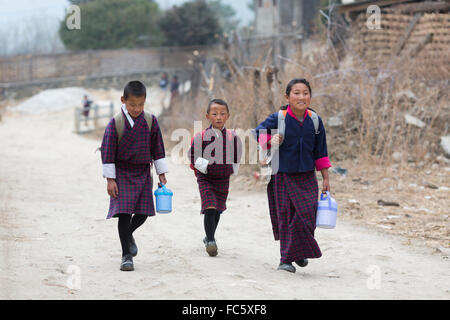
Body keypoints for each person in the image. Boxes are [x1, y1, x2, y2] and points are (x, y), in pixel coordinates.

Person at [253, 78, 332, 273]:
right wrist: (271, 140)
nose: (301, 96)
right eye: (296, 93)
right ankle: (286, 260)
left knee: (307, 215)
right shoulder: (278, 117)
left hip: (307, 177)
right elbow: (258, 133)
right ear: (287, 97)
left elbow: (321, 151)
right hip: (283, 175)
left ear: (310, 97)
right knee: (286, 216)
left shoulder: (315, 120)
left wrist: (326, 178)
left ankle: (299, 250)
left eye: (305, 93)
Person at [100, 80, 169, 271]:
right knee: (124, 213)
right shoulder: (116, 123)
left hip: (142, 172)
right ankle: (126, 256)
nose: (136, 108)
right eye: (132, 105)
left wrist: (161, 173)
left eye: (140, 104)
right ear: (123, 100)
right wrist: (110, 179)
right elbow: (107, 152)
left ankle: (128, 233)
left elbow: (158, 148)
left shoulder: (150, 121)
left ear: (145, 101)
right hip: (122, 173)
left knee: (143, 212)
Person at [189, 99, 242, 257]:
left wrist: (231, 169)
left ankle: (208, 237)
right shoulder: (201, 136)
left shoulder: (233, 137)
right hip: (205, 177)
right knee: (210, 207)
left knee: (218, 208)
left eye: (222, 114)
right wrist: (208, 167)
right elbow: (193, 156)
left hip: (223, 178)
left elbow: (237, 155)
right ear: (207, 116)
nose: (219, 117)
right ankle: (211, 240)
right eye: (215, 114)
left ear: (228, 116)